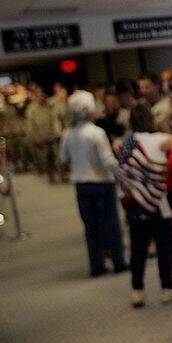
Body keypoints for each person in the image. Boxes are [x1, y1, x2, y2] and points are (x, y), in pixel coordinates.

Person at [116, 103, 172, 307]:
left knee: (138, 248)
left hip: (135, 204)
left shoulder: (126, 144)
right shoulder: (162, 139)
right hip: (159, 203)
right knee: (164, 247)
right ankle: (166, 289)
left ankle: (137, 290)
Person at [58, 90, 126, 277]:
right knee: (111, 224)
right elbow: (107, 161)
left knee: (91, 227)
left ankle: (96, 265)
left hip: (81, 184)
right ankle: (118, 261)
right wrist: (123, 173)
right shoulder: (97, 133)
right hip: (102, 183)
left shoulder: (68, 134)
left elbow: (63, 158)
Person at [26, 83, 63, 183]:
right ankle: (50, 176)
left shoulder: (50, 106)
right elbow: (31, 126)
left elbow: (55, 120)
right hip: (41, 137)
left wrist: (58, 133)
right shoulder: (32, 109)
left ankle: (60, 175)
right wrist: (35, 138)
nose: (41, 97)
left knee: (56, 156)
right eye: (38, 95)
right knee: (46, 158)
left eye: (42, 95)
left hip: (52, 136)